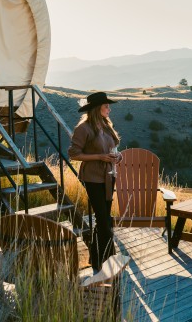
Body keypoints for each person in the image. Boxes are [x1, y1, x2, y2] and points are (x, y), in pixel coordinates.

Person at [68, 91, 121, 271]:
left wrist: (117, 156)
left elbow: (112, 148)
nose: (109, 110)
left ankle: (97, 258)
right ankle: (109, 258)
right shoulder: (83, 128)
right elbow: (74, 154)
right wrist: (100, 156)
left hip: (108, 176)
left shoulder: (105, 125)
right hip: (93, 177)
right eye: (106, 106)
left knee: (103, 218)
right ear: (97, 109)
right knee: (103, 218)